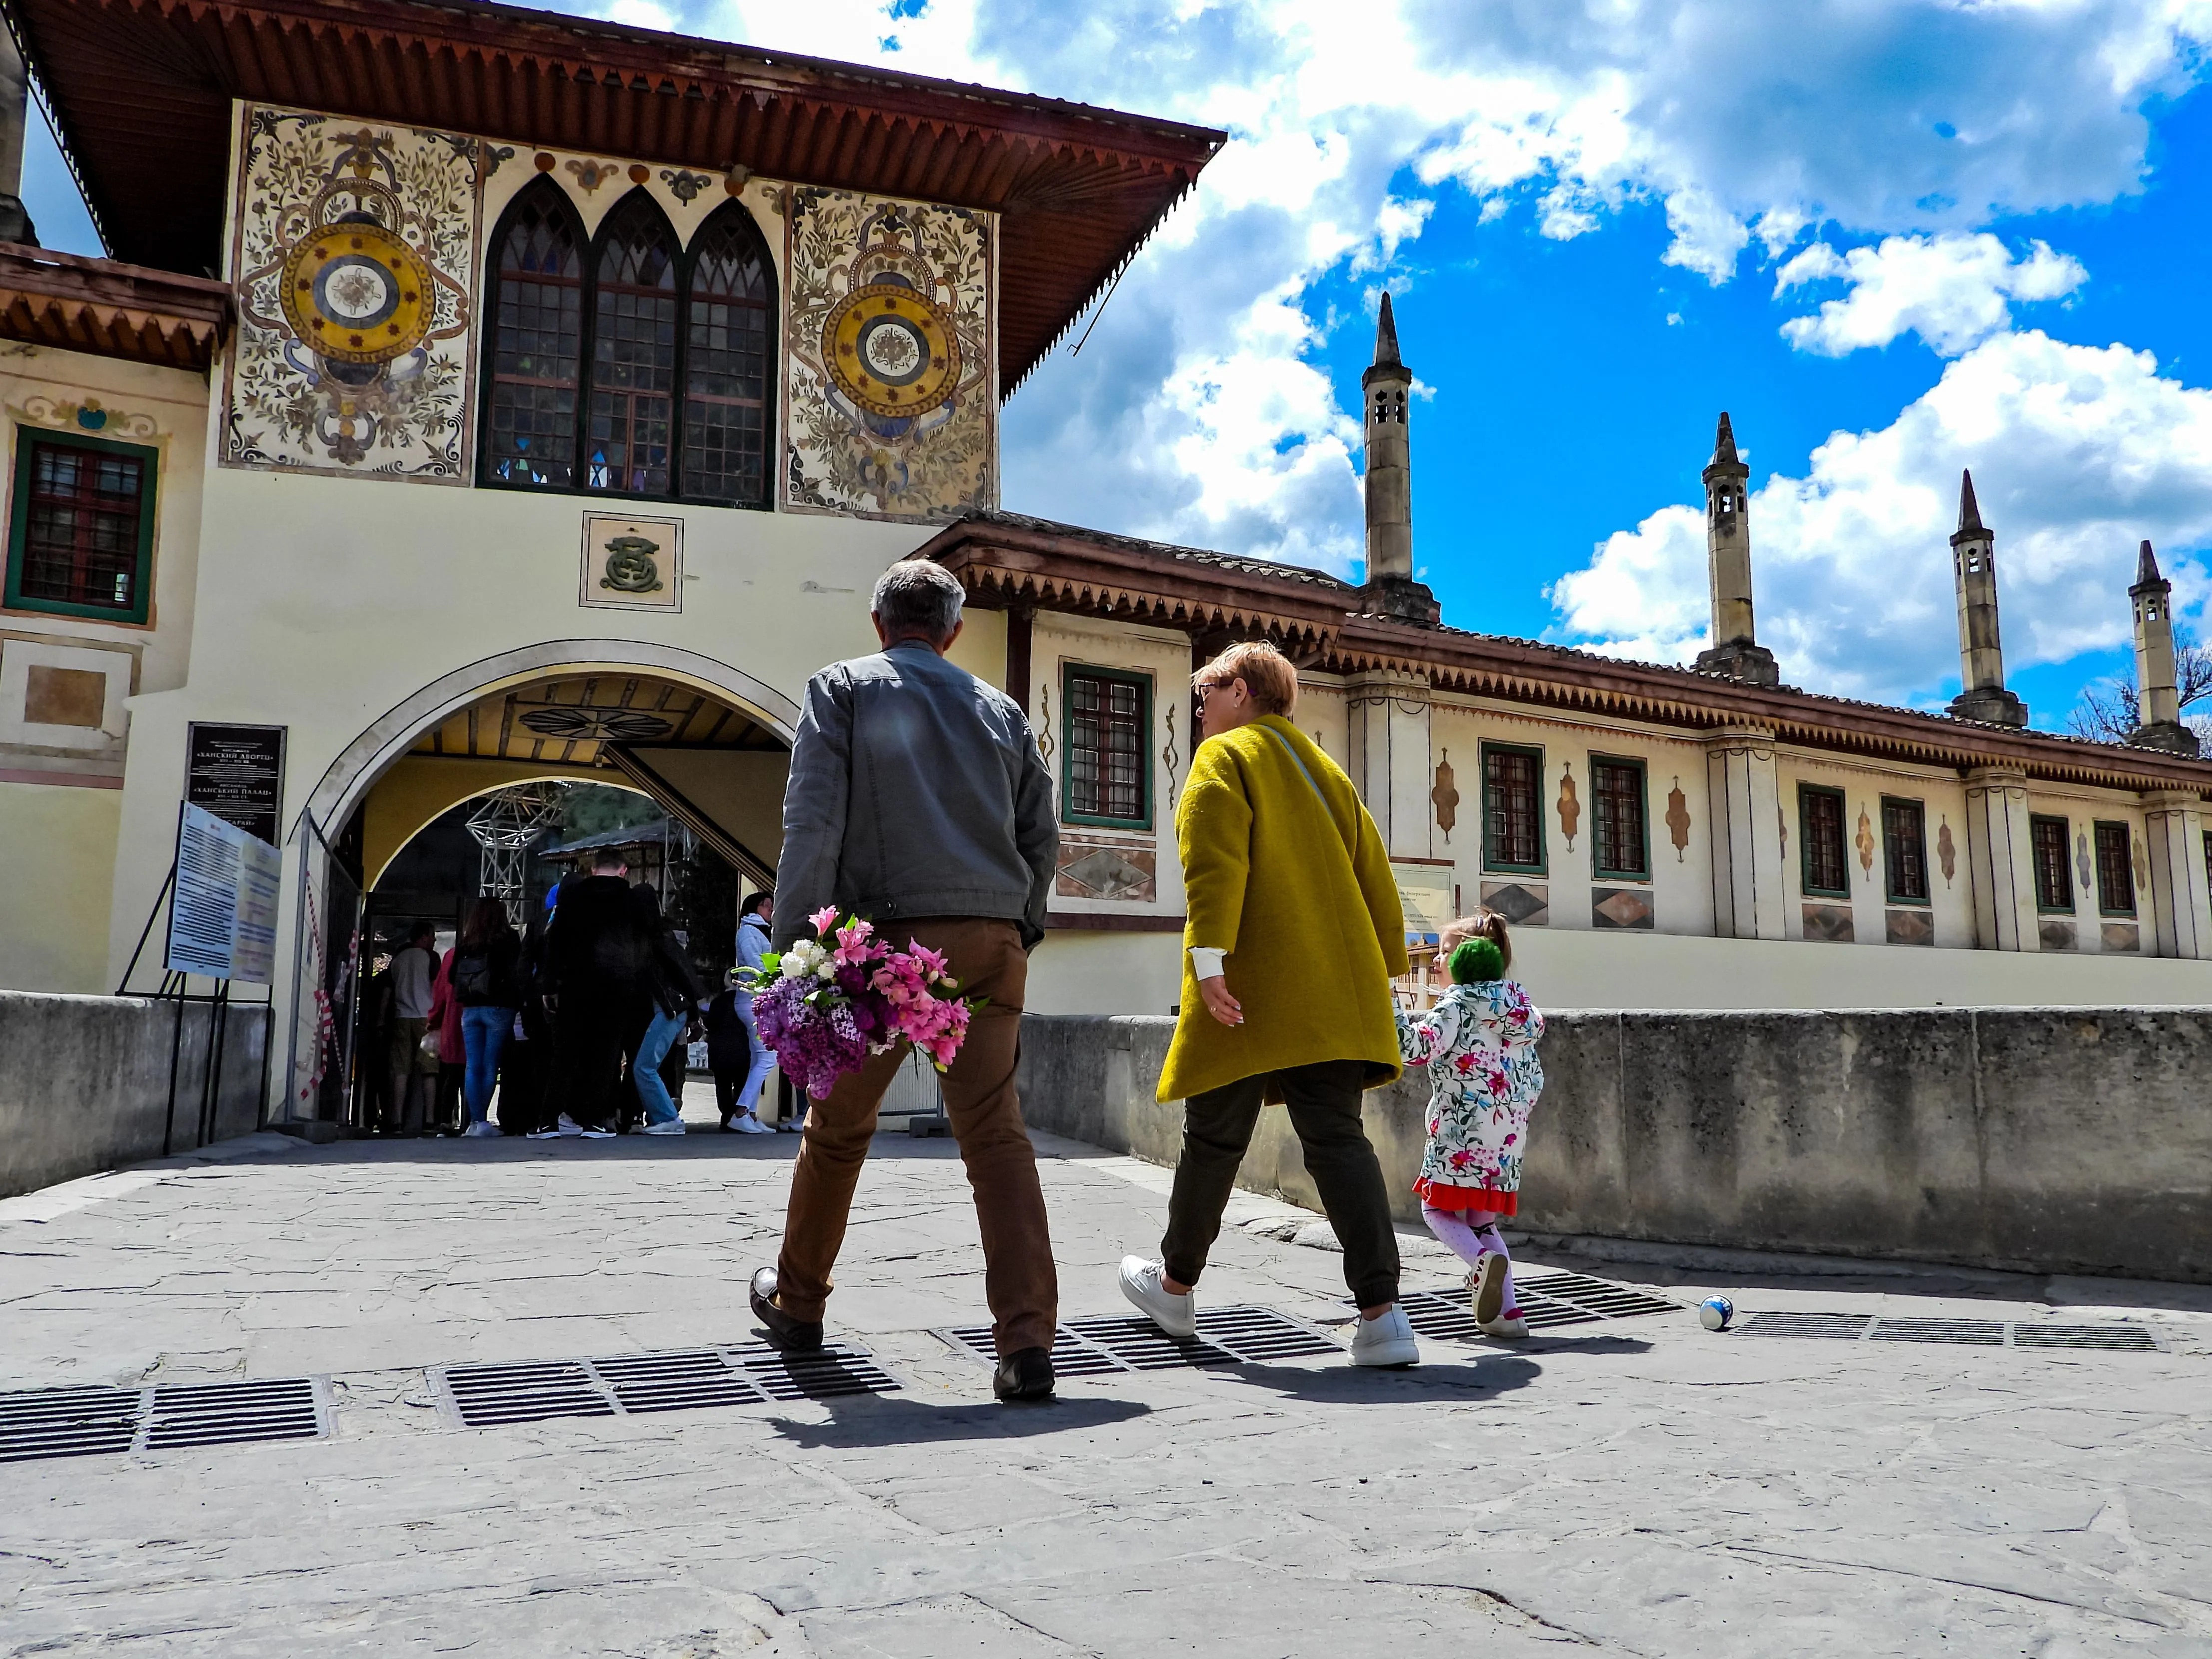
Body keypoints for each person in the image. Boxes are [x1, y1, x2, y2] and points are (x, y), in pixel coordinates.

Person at [749, 558, 1061, 1404]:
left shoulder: (842, 688)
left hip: (887, 944)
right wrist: (1016, 925)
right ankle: (1026, 1342)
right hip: (992, 940)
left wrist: (794, 957)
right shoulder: (998, 708)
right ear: (952, 632)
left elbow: (811, 821)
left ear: (879, 622)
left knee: (838, 1130)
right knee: (995, 1138)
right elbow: (1042, 834)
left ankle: (799, 1302)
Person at [1118, 641, 1420, 1368]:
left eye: (1208, 691)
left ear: (1243, 692)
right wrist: (1382, 975)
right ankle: (1383, 1317)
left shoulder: (1225, 757)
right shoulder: (1328, 771)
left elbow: (1214, 863)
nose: (1199, 706)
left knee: (1213, 1141)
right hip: (1335, 996)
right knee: (1339, 1144)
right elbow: (1376, 878)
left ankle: (1175, 1285)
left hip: (1250, 990)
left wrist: (1209, 963)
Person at [1396, 913, 1546, 1340]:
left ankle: (1481, 1265)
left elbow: (1415, 1048)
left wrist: (1389, 1007)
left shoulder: (1456, 1005)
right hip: (1508, 1139)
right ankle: (1509, 1315)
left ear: (1467, 957)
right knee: (1482, 1224)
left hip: (1461, 1134)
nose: (1437, 960)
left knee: (1436, 1210)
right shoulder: (1519, 1006)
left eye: (1445, 951)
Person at [538, 849, 649, 1139]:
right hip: (616, 986)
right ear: (624, 870)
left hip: (575, 985)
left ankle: (547, 1122)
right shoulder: (633, 901)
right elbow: (644, 946)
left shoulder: (572, 898)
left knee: (564, 1055)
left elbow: (555, 942)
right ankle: (594, 1121)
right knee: (605, 1056)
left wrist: (549, 986)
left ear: (593, 869)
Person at [628, 883, 704, 1136]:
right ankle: (663, 1116)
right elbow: (686, 975)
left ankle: (667, 1117)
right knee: (648, 1065)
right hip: (673, 1008)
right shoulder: (662, 934)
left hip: (669, 1009)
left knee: (644, 1066)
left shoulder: (653, 938)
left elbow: (683, 975)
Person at [451, 897, 525, 1138]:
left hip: (471, 1009)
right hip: (499, 1007)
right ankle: (483, 1122)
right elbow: (517, 973)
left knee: (473, 1065)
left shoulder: (466, 942)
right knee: (491, 1064)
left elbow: (454, 976)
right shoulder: (510, 939)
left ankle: (475, 1121)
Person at [704, 894, 777, 1134]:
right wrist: (778, 972)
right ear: (753, 908)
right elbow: (755, 963)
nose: (770, 909)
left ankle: (751, 1115)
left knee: (759, 1058)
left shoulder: (759, 930)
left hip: (756, 1000)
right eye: (765, 905)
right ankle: (741, 1111)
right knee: (768, 1057)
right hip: (751, 1000)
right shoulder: (748, 931)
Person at [384, 922, 438, 1137]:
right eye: (432, 936)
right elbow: (436, 988)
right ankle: (430, 1120)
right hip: (426, 1019)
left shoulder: (398, 959)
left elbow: (388, 990)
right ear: (423, 937)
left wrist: (381, 1019)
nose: (434, 940)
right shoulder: (430, 958)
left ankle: (396, 1120)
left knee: (400, 1071)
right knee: (429, 1070)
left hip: (401, 1017)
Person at [425, 941, 467, 1135]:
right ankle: (473, 1121)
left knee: (452, 1074)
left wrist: (433, 1022)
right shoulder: (496, 949)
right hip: (480, 1014)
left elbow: (440, 992)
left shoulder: (452, 955)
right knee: (479, 1071)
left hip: (453, 1021)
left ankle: (445, 1121)